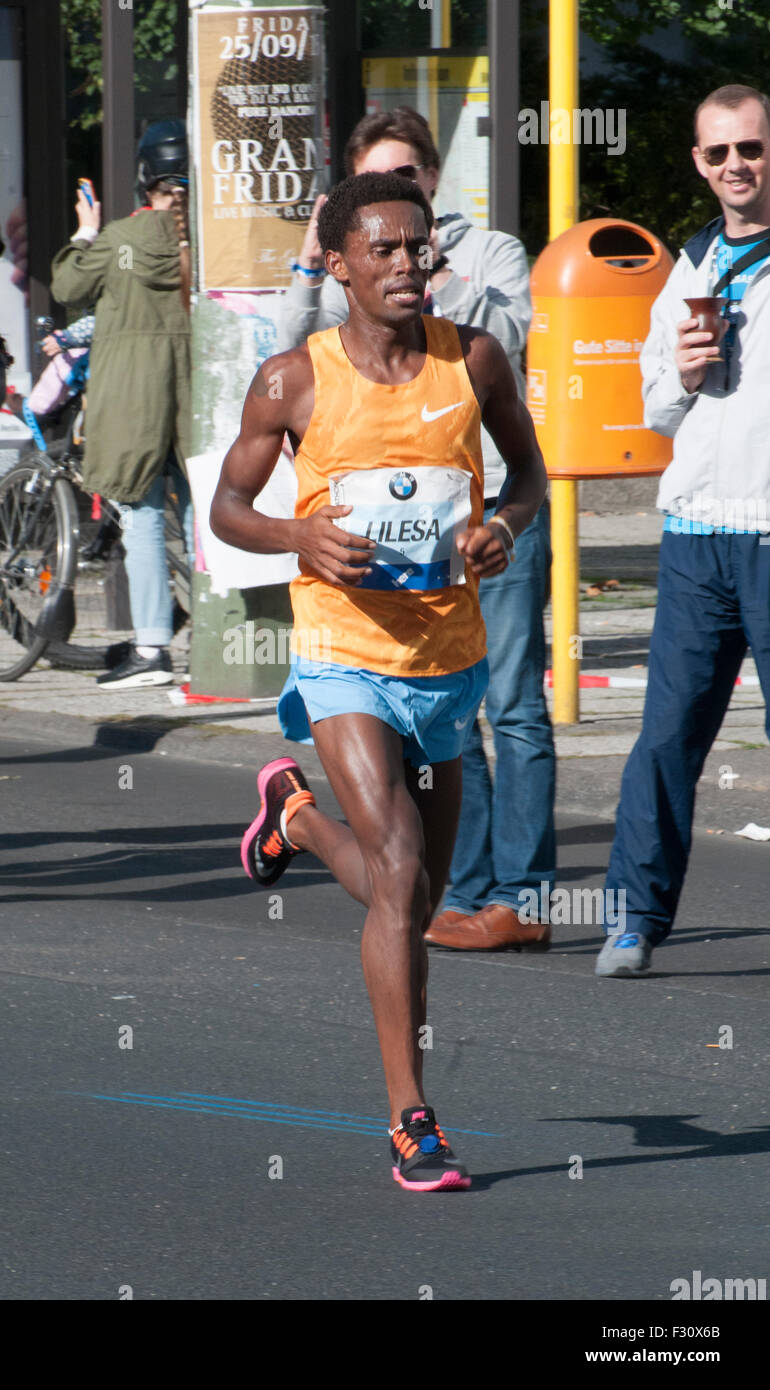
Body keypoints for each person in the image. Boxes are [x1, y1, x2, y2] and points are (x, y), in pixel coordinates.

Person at [211, 172, 547, 1188]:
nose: (407, 267)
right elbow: (228, 509)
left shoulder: (473, 360)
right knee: (397, 873)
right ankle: (411, 1117)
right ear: (341, 263)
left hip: (445, 661)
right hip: (342, 654)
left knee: (419, 894)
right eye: (384, 251)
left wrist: (501, 527)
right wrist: (295, 535)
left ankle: (299, 822)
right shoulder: (291, 380)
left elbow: (529, 476)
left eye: (419, 250)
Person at [279, 106, 555, 953]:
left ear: (433, 178)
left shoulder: (488, 255)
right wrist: (323, 262)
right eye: (379, 185)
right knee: (410, 846)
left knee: (513, 710)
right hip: (358, 614)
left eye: (411, 180)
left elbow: (502, 349)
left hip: (478, 538)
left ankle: (521, 898)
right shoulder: (338, 279)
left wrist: (419, 281)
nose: (399, 200)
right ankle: (438, 886)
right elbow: (290, 348)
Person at [598, 84, 770, 977]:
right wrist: (685, 369)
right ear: (699, 164)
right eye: (718, 154)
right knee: (665, 737)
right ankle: (632, 919)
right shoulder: (693, 264)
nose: (736, 166)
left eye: (751, 148)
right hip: (699, 532)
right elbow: (655, 408)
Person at [50, 121, 192, 690]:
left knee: (141, 514)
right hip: (195, 398)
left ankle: (152, 647)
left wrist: (85, 231)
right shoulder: (207, 242)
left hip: (134, 402)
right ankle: (229, 641)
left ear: (144, 176)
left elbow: (64, 286)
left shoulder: (119, 240)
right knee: (210, 518)